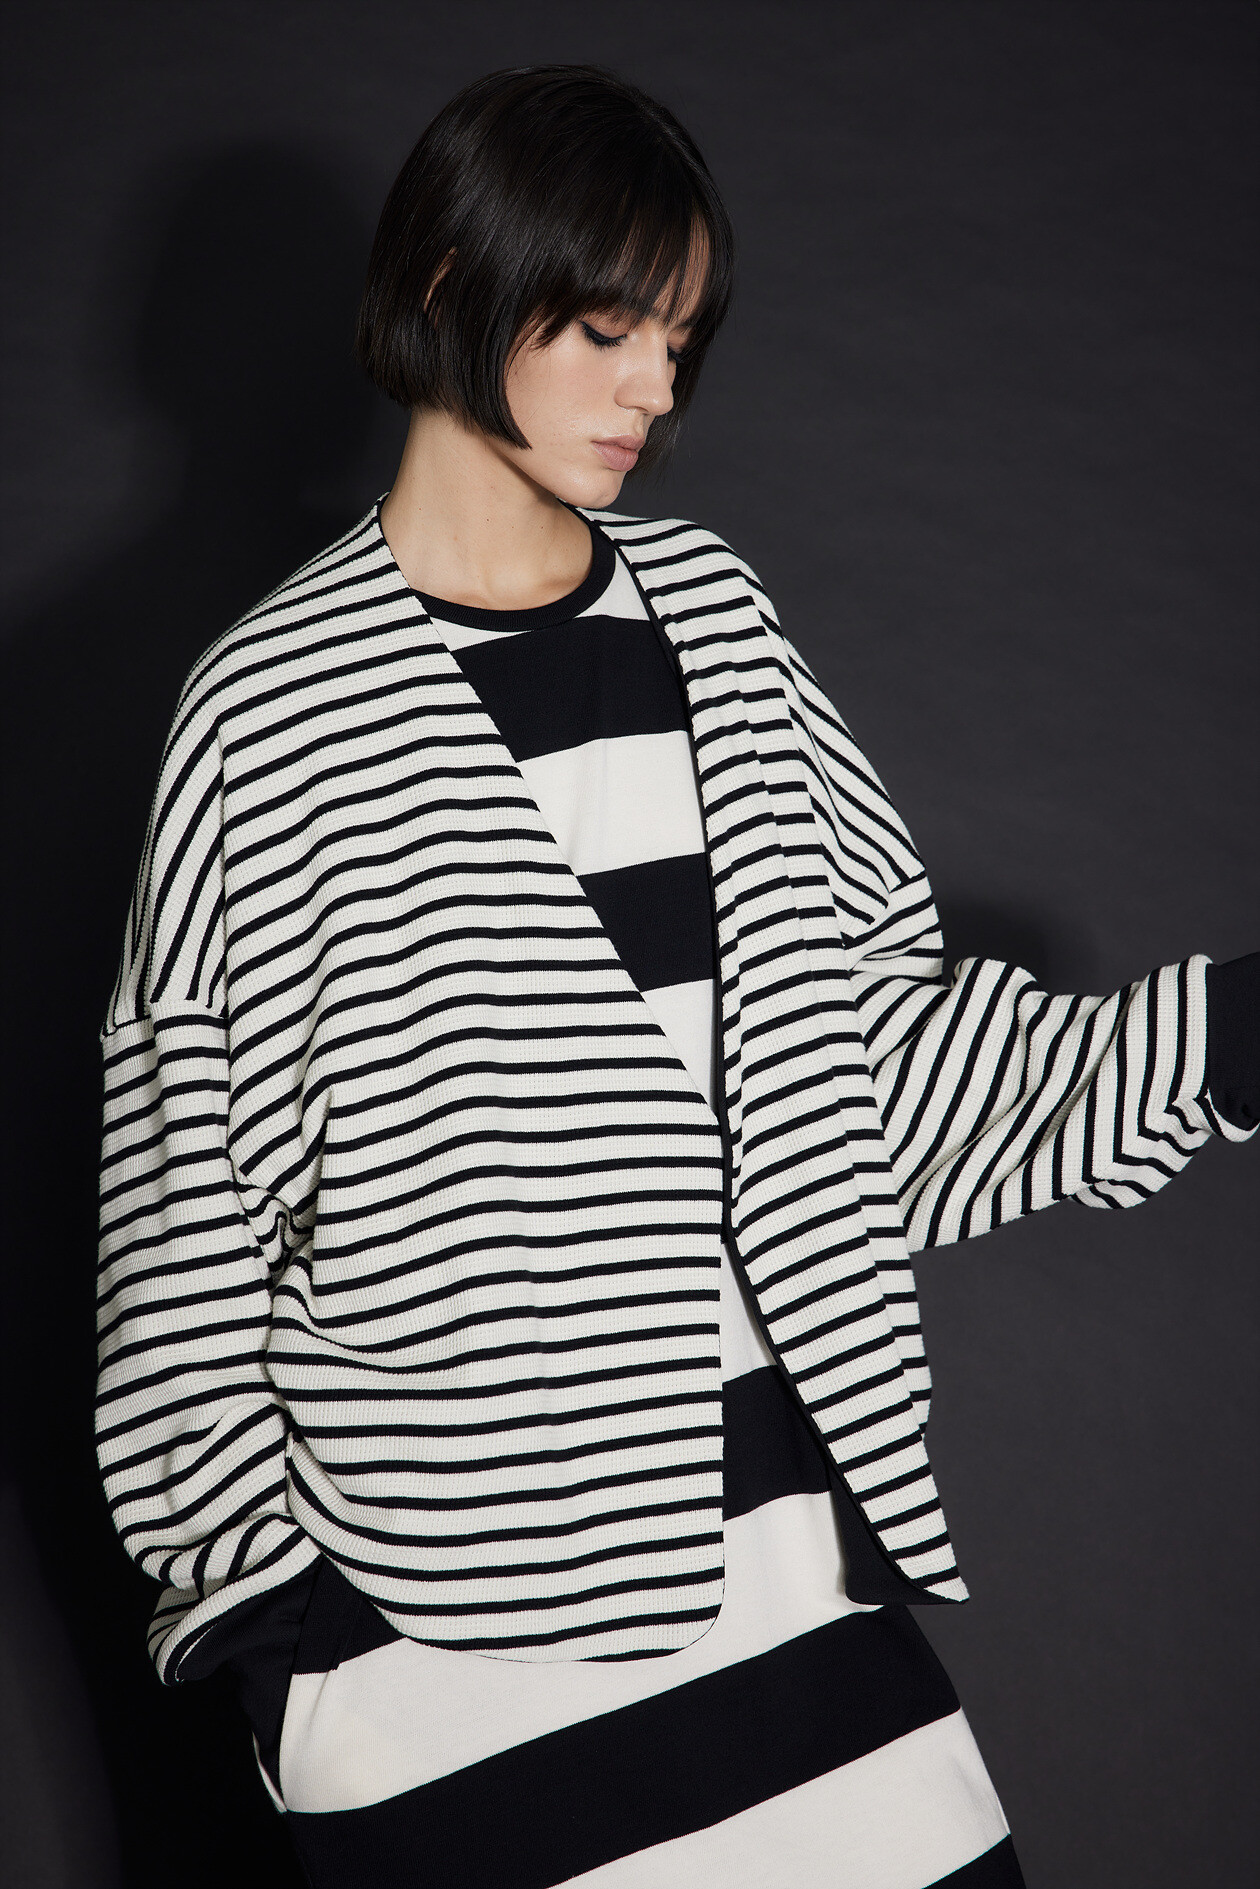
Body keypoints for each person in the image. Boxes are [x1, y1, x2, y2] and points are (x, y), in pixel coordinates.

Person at [95, 63, 1258, 1889]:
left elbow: (872, 1072)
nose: (654, 387)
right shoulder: (269, 709)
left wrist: (1222, 1036)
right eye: (605, 328)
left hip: (787, 1577)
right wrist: (268, 1633)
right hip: (435, 1656)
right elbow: (182, 1218)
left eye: (680, 338)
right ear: (446, 288)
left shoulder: (715, 621)